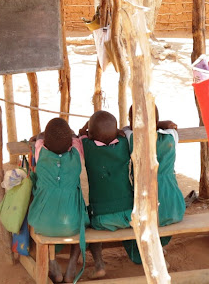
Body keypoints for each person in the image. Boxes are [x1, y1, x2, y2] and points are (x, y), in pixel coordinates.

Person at [28, 118, 89, 283]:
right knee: (81, 225)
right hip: (72, 223)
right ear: (70, 141)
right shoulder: (76, 152)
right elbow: (76, 137)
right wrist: (72, 134)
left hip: (41, 222)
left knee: (35, 215)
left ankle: (53, 265)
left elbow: (40, 138)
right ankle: (70, 269)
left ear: (45, 141)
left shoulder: (40, 151)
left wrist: (41, 136)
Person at [122, 104, 185, 264]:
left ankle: (143, 256)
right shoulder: (170, 136)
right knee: (164, 214)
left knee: (125, 216)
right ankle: (160, 245)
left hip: (146, 209)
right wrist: (161, 123)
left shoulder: (131, 139)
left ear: (132, 121)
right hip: (174, 207)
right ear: (156, 120)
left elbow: (125, 129)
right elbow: (172, 127)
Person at [79, 110, 132, 279]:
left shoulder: (87, 146)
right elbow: (124, 132)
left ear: (91, 134)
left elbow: (81, 133)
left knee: (87, 220)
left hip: (100, 218)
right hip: (130, 215)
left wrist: (87, 127)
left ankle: (99, 264)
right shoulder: (124, 143)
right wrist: (115, 131)